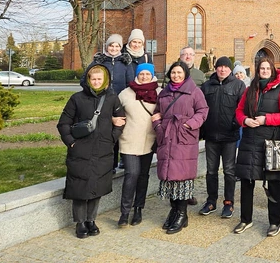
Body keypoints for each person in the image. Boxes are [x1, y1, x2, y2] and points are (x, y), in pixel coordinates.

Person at [57, 63, 124, 239]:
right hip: (81, 150)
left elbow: (121, 120)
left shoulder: (112, 98)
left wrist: (112, 138)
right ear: (88, 80)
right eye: (93, 79)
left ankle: (91, 220)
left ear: (105, 80)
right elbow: (63, 123)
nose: (96, 82)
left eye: (99, 79)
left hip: (103, 150)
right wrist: (71, 142)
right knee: (80, 187)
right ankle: (80, 222)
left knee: (97, 186)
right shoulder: (76, 99)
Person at [234, 58, 280, 237]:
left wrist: (266, 119)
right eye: (262, 68)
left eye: (268, 68)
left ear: (273, 71)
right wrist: (244, 120)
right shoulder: (251, 89)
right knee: (246, 182)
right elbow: (239, 110)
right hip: (250, 142)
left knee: (274, 185)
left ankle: (275, 222)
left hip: (271, 143)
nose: (265, 71)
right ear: (258, 71)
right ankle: (245, 219)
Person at [152, 61, 209, 234]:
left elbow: (203, 110)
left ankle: (182, 213)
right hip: (167, 137)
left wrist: (190, 125)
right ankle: (174, 210)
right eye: (173, 73)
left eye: (179, 72)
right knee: (170, 177)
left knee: (182, 177)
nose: (176, 75)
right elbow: (156, 113)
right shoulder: (164, 93)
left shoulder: (194, 91)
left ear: (185, 74)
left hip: (184, 138)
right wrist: (158, 126)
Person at [198, 56, 245, 219]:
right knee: (211, 171)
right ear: (216, 68)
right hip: (211, 136)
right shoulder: (206, 86)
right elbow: (201, 108)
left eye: (226, 67)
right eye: (220, 67)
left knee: (229, 171)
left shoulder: (238, 85)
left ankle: (229, 203)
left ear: (230, 69)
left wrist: (234, 124)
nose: (222, 69)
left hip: (229, 136)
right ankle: (211, 201)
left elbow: (242, 109)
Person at [117, 63, 159, 227]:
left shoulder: (159, 93)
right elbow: (116, 112)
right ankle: (124, 212)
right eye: (141, 74)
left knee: (143, 176)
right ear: (136, 74)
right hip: (129, 140)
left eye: (147, 74)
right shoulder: (125, 93)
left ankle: (138, 209)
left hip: (149, 140)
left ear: (152, 75)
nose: (144, 77)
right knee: (131, 174)